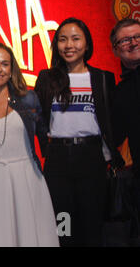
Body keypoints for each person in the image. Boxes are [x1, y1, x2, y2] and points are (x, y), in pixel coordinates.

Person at [34, 17, 121, 246]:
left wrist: (111, 154)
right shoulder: (47, 78)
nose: (69, 45)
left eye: (75, 39)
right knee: (63, 224)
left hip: (91, 157)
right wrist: (46, 148)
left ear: (87, 44)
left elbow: (113, 120)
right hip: (58, 160)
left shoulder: (102, 78)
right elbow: (36, 117)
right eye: (62, 40)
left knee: (92, 224)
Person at [0, 42, 59, 247]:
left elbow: (47, 138)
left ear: (11, 70)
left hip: (27, 182)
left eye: (4, 64)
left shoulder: (29, 99)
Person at [110, 18, 140, 219]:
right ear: (116, 50)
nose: (134, 42)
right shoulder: (119, 92)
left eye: (138, 36)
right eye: (126, 40)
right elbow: (115, 134)